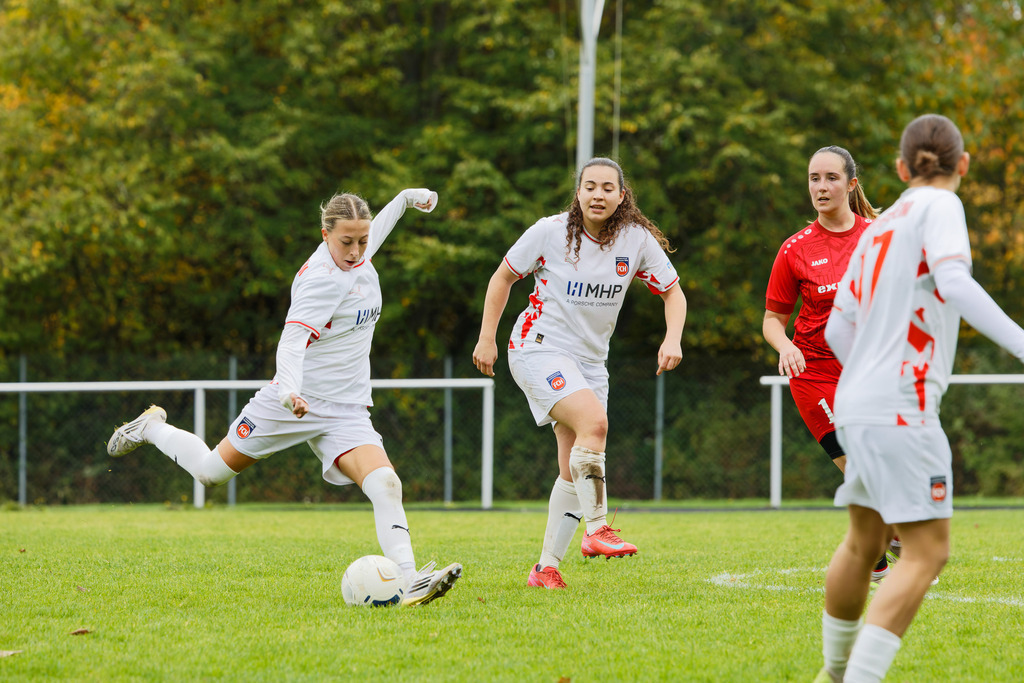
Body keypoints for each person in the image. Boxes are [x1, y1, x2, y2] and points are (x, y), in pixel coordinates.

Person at [106, 188, 462, 607]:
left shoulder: (360, 254)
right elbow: (292, 341)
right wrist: (289, 390)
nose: (356, 250)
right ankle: (151, 428)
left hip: (345, 410)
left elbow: (378, 229)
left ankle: (409, 580)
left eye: (362, 240)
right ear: (325, 234)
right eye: (347, 241)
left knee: (386, 484)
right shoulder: (319, 281)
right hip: (292, 404)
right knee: (209, 473)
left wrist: (404, 199)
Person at [814, 114, 1024, 682]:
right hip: (901, 405)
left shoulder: (876, 228)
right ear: (964, 165)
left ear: (903, 169)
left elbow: (837, 332)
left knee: (864, 542)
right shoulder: (940, 205)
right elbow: (954, 283)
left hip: (855, 401)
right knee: (927, 553)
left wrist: (871, 371)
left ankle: (832, 673)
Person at [472, 157, 686, 589]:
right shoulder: (550, 232)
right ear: (579, 193)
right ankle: (596, 530)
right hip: (537, 348)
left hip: (590, 363)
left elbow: (674, 293)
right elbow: (502, 278)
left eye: (608, 187)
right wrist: (486, 339)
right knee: (596, 423)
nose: (598, 194)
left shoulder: (636, 240)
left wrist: (673, 338)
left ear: (622, 196)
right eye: (590, 186)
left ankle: (545, 568)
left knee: (574, 465)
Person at [763, 146, 898, 582]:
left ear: (851, 184)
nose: (821, 187)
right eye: (814, 178)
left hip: (869, 375)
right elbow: (771, 321)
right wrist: (784, 346)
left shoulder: (878, 237)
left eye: (831, 178)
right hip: (814, 374)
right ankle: (885, 551)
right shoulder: (794, 250)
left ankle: (881, 547)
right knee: (858, 467)